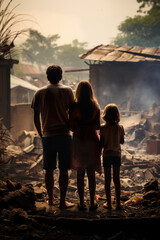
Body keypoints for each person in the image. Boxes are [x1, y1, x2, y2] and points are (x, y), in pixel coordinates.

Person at [31, 65, 74, 209]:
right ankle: (62, 201)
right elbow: (73, 114)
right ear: (61, 76)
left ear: (47, 77)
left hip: (48, 136)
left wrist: (41, 134)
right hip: (64, 135)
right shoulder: (68, 91)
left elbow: (36, 118)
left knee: (48, 169)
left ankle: (50, 200)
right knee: (63, 169)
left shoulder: (39, 92)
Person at [69, 81, 101, 210]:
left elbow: (70, 127)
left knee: (80, 173)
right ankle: (92, 203)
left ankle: (81, 202)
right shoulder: (95, 107)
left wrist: (79, 126)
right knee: (91, 174)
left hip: (79, 140)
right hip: (92, 141)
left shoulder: (74, 107)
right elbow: (98, 126)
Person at [100, 104, 125, 210]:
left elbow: (101, 143)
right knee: (116, 179)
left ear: (105, 115)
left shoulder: (102, 128)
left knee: (107, 179)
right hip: (116, 155)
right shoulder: (120, 128)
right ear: (117, 115)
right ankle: (118, 203)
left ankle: (109, 203)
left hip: (106, 155)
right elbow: (122, 142)